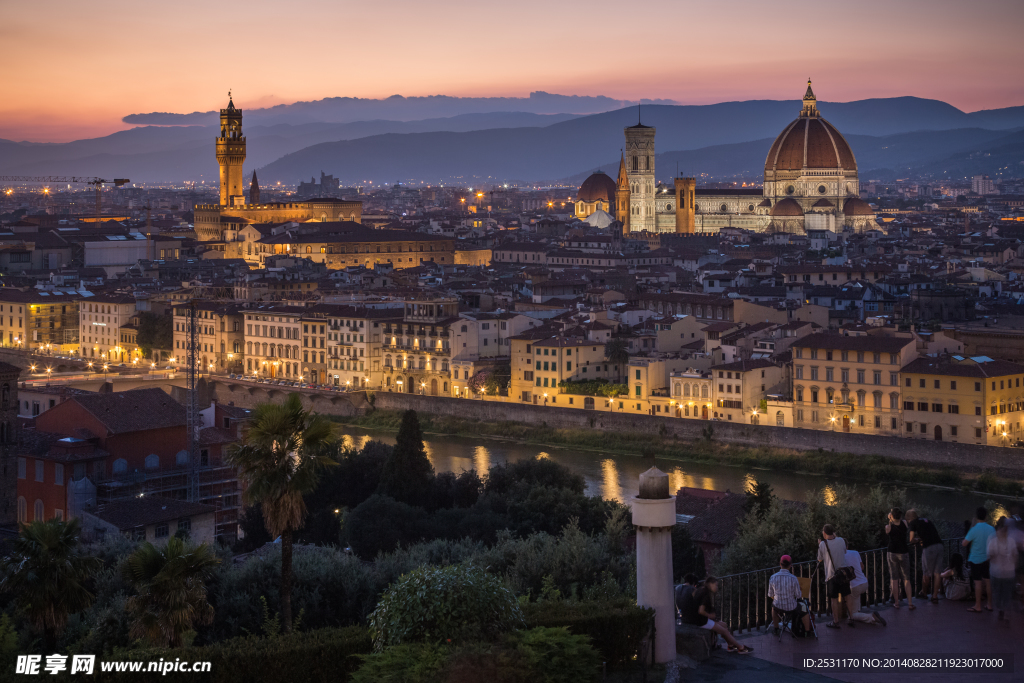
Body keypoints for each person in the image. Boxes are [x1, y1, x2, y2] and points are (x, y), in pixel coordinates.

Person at [679, 576, 753, 654]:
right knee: (724, 631)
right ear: (710, 584)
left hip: (696, 619)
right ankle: (740, 647)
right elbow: (701, 611)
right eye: (716, 585)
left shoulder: (701, 589)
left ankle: (731, 645)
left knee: (724, 625)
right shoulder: (706, 595)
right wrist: (710, 616)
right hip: (700, 621)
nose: (717, 588)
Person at [817, 524, 851, 629]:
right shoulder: (841, 540)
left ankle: (836, 621)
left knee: (834, 599)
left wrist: (819, 545)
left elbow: (820, 559)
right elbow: (845, 551)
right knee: (847, 596)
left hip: (832, 575)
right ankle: (851, 617)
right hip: (843, 573)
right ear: (833, 532)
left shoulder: (823, 544)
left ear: (824, 533)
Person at [844, 545, 887, 627]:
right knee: (856, 605)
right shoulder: (855, 552)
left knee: (851, 615)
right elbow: (862, 567)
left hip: (853, 586)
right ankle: (859, 611)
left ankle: (871, 617)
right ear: (847, 546)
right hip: (864, 582)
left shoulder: (841, 557)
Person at [907, 509, 943, 604]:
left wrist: (917, 540)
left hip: (929, 548)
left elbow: (911, 539)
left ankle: (924, 593)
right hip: (939, 545)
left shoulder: (913, 523)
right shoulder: (926, 520)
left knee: (926, 573)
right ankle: (935, 596)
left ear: (909, 519)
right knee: (937, 573)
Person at [768, 555, 811, 635]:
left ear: (780, 564)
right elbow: (798, 596)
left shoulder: (773, 577)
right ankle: (807, 632)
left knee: (773, 607)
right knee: (804, 608)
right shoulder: (794, 578)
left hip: (778, 606)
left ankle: (776, 629)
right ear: (790, 565)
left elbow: (770, 594)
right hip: (792, 608)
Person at [987, 517, 1020, 622]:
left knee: (998, 592)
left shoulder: (993, 539)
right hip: (1008, 572)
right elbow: (1015, 555)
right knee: (1006, 593)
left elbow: (989, 556)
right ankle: (1004, 610)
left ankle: (1002, 610)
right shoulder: (1010, 540)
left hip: (997, 572)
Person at [962, 506, 995, 613]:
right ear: (986, 516)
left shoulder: (974, 529)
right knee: (988, 582)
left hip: (975, 559)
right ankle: (990, 604)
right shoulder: (991, 529)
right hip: (987, 559)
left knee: (978, 583)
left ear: (976, 517)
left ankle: (978, 606)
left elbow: (964, 543)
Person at [884, 507, 914, 609]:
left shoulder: (888, 527)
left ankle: (896, 603)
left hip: (892, 553)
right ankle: (910, 603)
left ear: (891, 516)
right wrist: (893, 517)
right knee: (907, 579)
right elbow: (902, 521)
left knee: (894, 579)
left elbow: (888, 529)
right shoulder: (905, 523)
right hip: (904, 552)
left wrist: (890, 519)